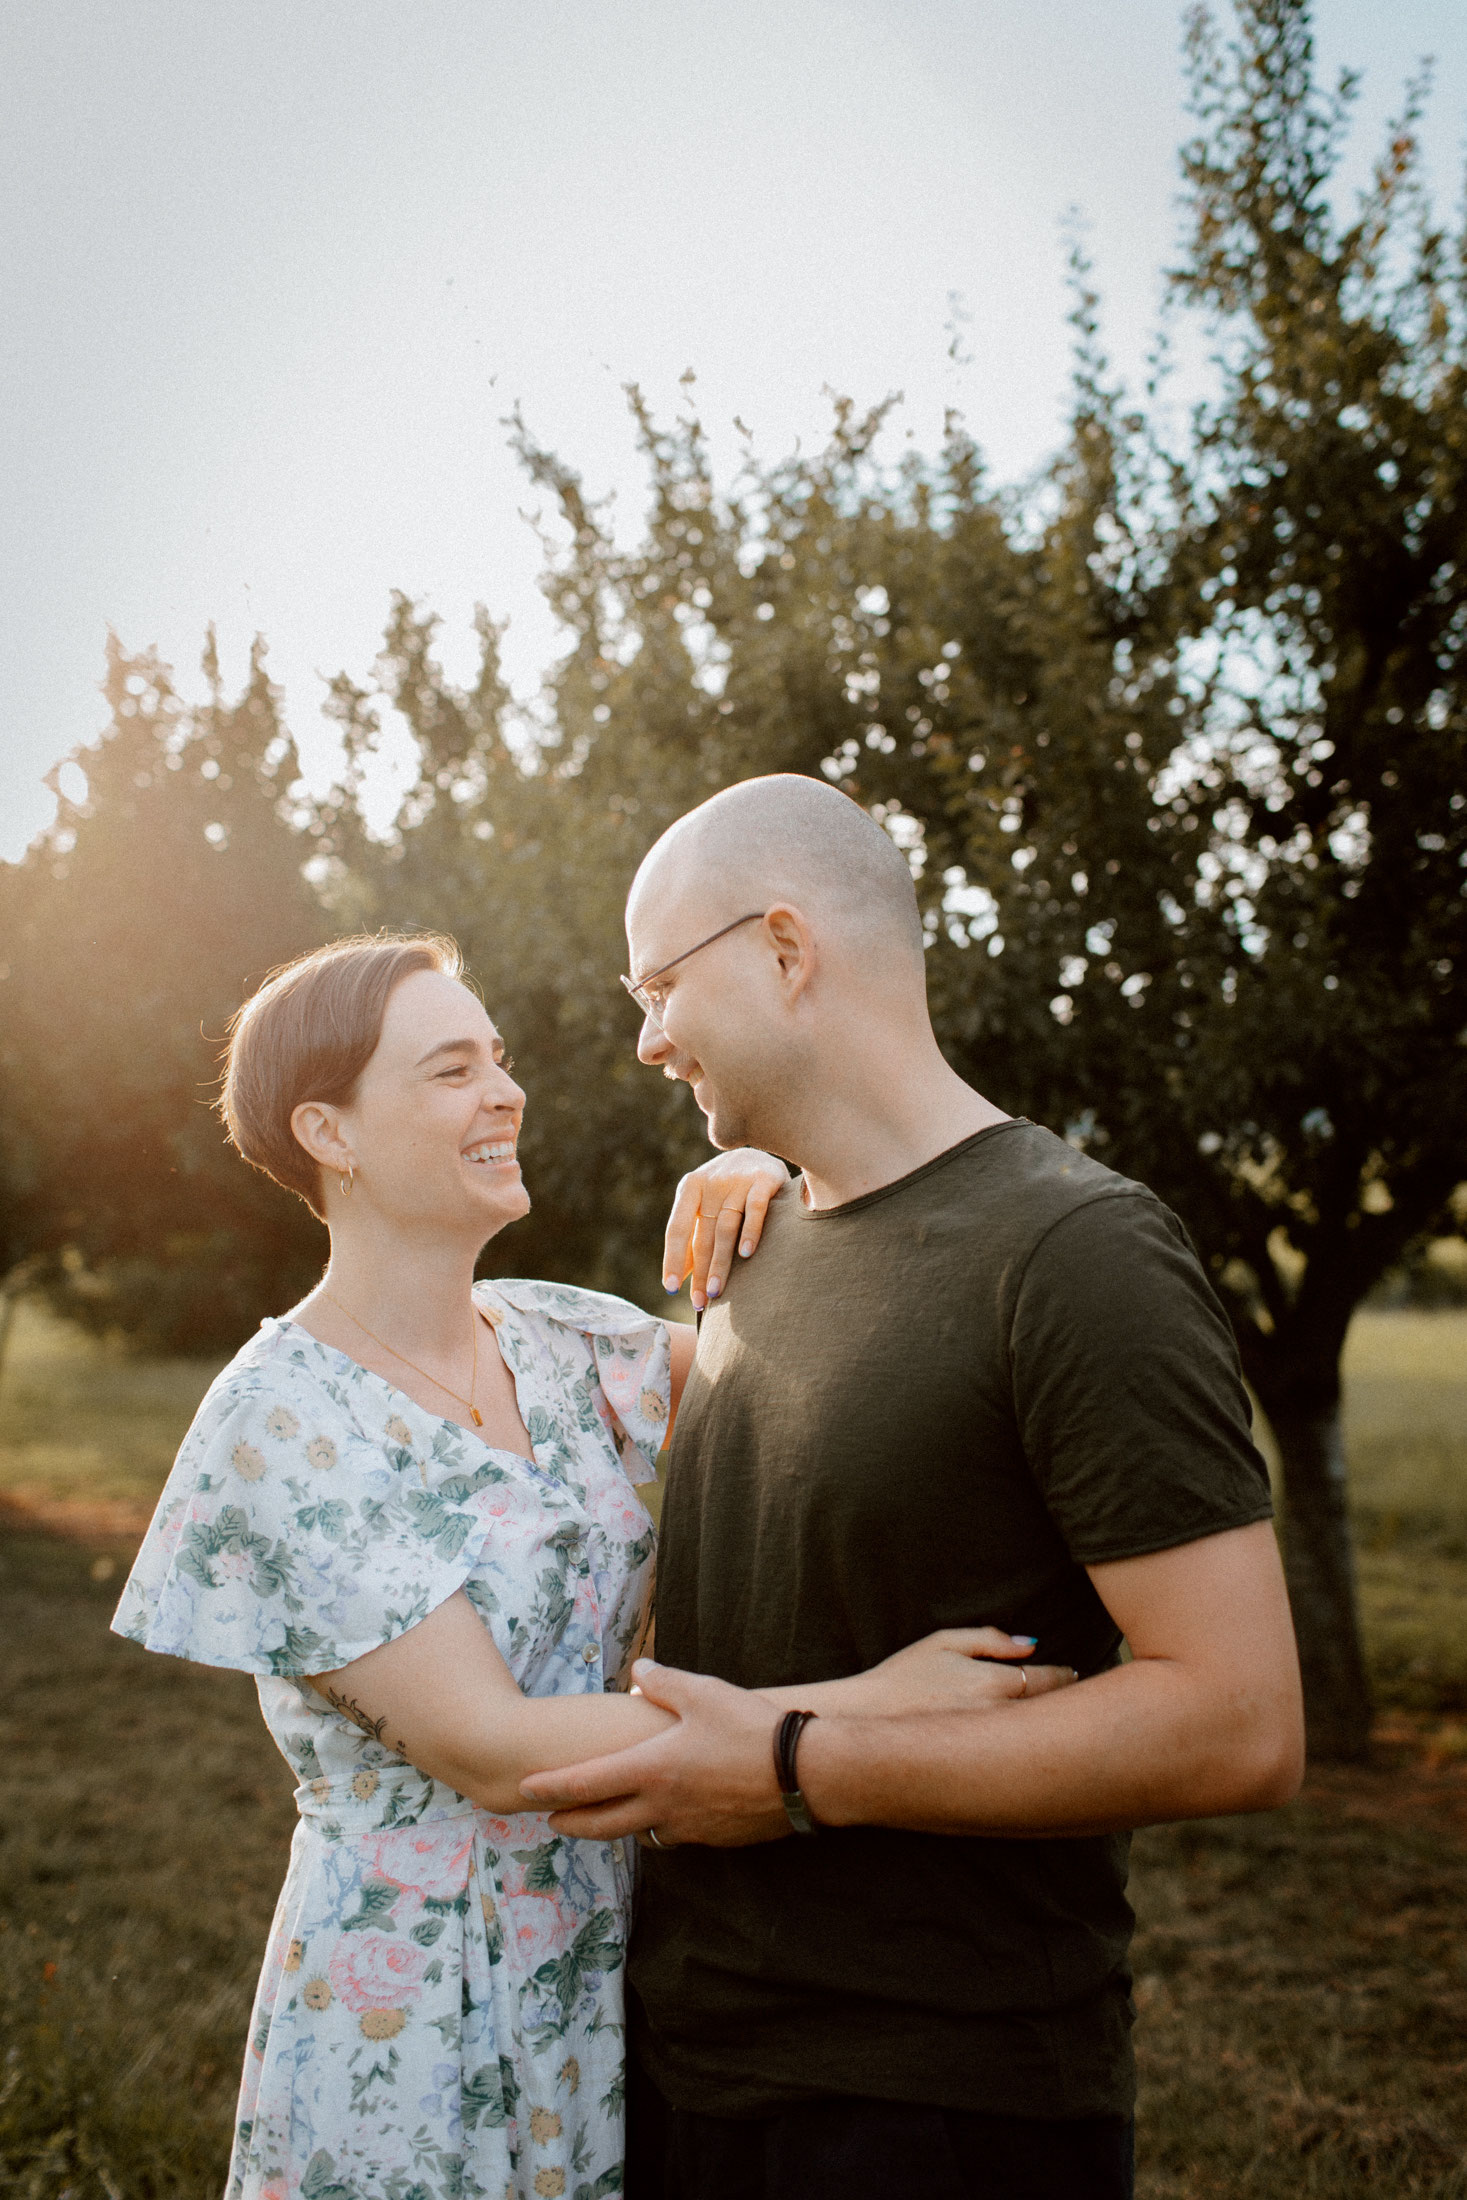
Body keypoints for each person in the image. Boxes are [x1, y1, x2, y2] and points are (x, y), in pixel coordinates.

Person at [112, 931, 1073, 2200]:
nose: (507, 1091)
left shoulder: (561, 1339)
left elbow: (809, 1387)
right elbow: (499, 1751)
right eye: (452, 1070)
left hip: (613, 1969)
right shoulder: (281, 1418)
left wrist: (773, 1185)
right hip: (417, 2011)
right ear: (329, 1132)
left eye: (498, 1059)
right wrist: (880, 1709)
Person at [521, 775, 1307, 2200]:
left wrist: (794, 1765)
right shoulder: (750, 1238)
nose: (642, 1038)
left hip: (933, 2105)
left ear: (781, 946)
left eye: (654, 986)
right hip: (683, 2062)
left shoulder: (1076, 1253)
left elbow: (1238, 1722)